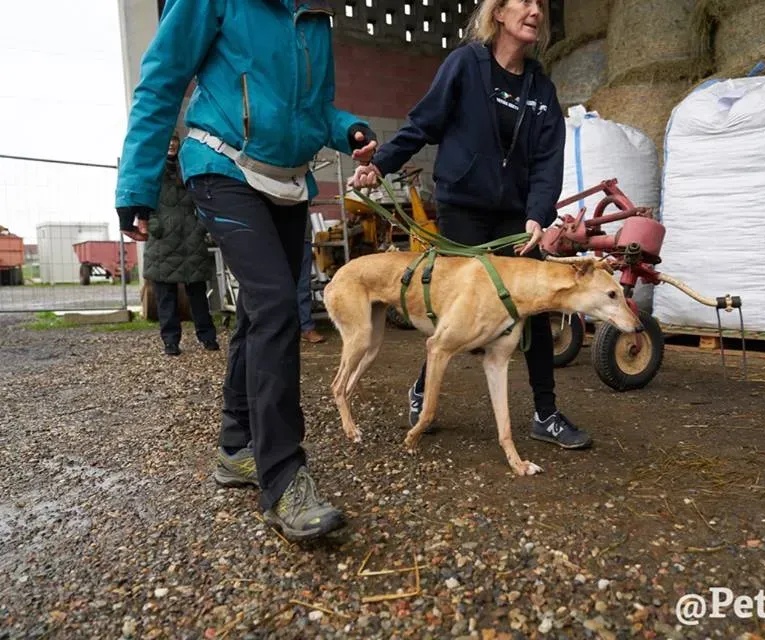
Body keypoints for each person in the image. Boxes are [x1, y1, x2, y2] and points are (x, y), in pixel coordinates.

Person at [114, 0, 377, 543]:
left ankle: (236, 449)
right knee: (279, 305)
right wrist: (137, 183)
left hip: (286, 180)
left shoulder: (315, 17)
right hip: (221, 164)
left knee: (262, 309)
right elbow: (162, 80)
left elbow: (313, 110)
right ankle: (283, 479)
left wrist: (348, 128)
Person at [349, 0, 592, 450]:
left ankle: (545, 413)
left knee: (534, 309)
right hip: (463, 208)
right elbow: (422, 124)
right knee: (453, 310)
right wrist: (380, 165)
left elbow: (547, 162)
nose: (535, 11)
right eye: (524, 1)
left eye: (540, 4)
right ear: (498, 12)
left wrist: (538, 214)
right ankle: (422, 391)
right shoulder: (465, 64)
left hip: (516, 218)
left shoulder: (541, 89)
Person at [144, 133, 220, 356]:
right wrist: (154, 224)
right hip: (162, 240)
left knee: (197, 293)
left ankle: (207, 337)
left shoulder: (189, 167)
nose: (171, 143)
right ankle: (170, 341)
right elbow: (144, 200)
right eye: (167, 139)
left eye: (174, 140)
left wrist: (201, 226)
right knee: (165, 295)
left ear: (179, 143)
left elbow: (205, 197)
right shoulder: (152, 170)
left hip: (191, 237)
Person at [298, 219, 326, 344]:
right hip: (276, 237)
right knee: (278, 286)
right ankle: (280, 329)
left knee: (303, 285)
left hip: (302, 236)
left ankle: (307, 328)